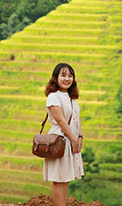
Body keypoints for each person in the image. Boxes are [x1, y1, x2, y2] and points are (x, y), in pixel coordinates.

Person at [43, 62, 84, 206]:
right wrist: (73, 139)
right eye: (63, 75)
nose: (67, 79)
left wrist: (80, 137)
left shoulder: (72, 97)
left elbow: (76, 120)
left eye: (70, 76)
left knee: (65, 177)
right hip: (59, 140)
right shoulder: (54, 96)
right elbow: (60, 120)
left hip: (71, 138)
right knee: (58, 178)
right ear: (56, 77)